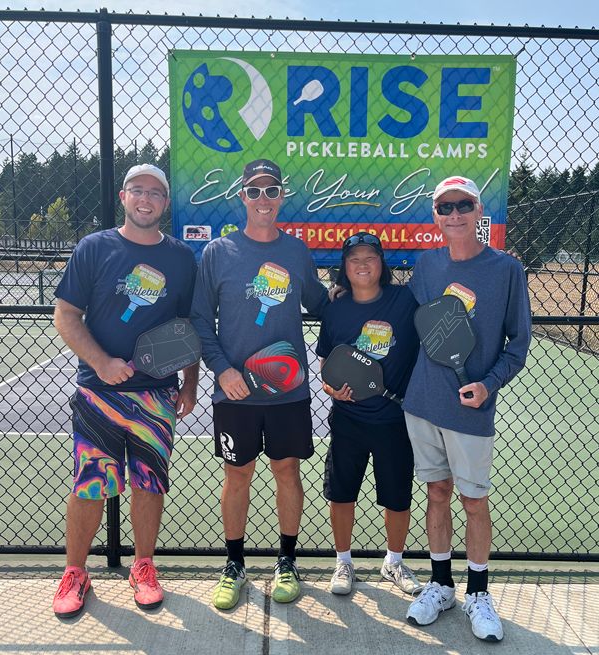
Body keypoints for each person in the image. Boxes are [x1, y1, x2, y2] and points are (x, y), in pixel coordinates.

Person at [52, 164, 198, 618]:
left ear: (165, 203)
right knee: (90, 485)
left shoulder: (182, 258)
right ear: (123, 196)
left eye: (155, 193)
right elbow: (66, 315)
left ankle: (143, 567)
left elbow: (186, 328)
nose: (146, 199)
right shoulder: (94, 248)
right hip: (98, 394)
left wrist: (190, 384)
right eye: (138, 190)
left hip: (157, 397)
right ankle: (76, 572)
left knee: (149, 483)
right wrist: (102, 363)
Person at [191, 159, 329, 611]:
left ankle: (287, 561)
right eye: (254, 191)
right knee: (238, 475)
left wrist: (367, 298)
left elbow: (322, 303)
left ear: (282, 196)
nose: (263, 199)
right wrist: (222, 369)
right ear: (242, 197)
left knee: (287, 471)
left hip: (287, 391)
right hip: (235, 391)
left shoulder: (297, 252)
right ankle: (234, 564)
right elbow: (199, 319)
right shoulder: (218, 252)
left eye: (271, 190)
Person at [402, 176, 531, 642]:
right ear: (435, 215)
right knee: (437, 493)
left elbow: (518, 343)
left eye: (462, 205)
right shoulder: (427, 265)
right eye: (445, 207)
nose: (454, 214)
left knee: (474, 501)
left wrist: (489, 384)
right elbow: (411, 318)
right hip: (422, 403)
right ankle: (441, 586)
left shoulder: (507, 269)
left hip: (471, 411)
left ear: (478, 211)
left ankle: (478, 592)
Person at [316, 232, 424, 597]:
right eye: (354, 259)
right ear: (345, 268)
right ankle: (343, 562)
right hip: (348, 419)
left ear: (382, 264)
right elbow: (326, 364)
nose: (362, 264)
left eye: (370, 257)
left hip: (396, 419)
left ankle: (394, 561)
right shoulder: (335, 309)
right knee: (342, 493)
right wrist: (332, 389)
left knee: (397, 496)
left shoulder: (405, 300)